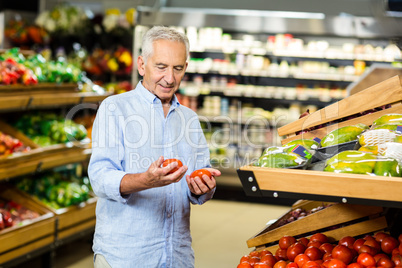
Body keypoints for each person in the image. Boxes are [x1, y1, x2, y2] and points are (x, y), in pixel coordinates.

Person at [88, 25, 221, 267]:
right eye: (161, 67)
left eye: (177, 69)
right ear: (141, 65)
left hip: (176, 255)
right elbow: (99, 178)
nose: (170, 79)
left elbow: (199, 180)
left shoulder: (190, 119)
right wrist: (144, 180)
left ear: (185, 69)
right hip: (126, 256)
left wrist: (202, 187)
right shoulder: (115, 108)